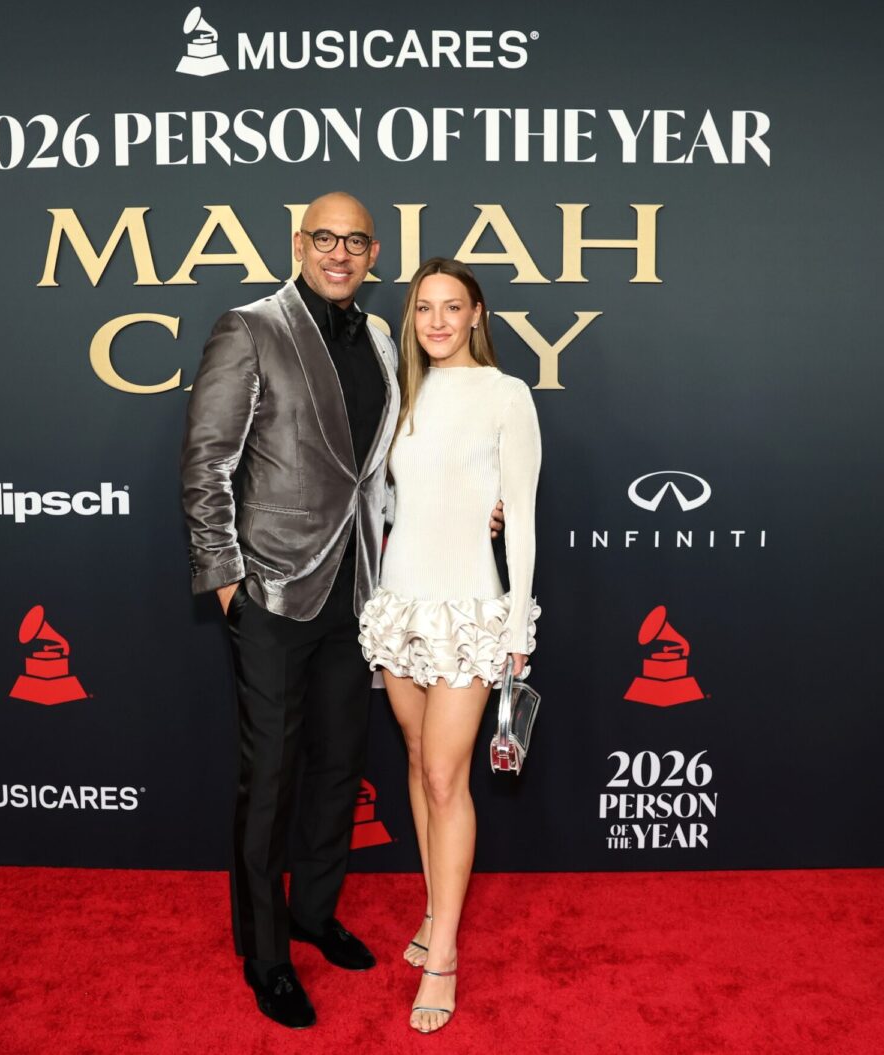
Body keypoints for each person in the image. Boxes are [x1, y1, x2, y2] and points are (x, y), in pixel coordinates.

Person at [181, 194, 505, 1030]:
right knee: (273, 778)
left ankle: (315, 912)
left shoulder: (380, 344)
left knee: (337, 766)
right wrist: (226, 579)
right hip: (273, 591)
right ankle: (265, 953)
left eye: (355, 241)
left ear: (372, 251)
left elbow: (389, 470)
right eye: (324, 238)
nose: (339, 252)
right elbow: (209, 461)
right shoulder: (248, 326)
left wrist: (477, 506)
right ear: (299, 243)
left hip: (359, 592)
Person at [357, 257, 543, 1035]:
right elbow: (392, 495)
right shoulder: (400, 393)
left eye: (451, 307)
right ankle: (436, 910)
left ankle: (444, 958)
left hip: (470, 607)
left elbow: (523, 515)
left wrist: (516, 624)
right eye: (423, 307)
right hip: (399, 604)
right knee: (412, 759)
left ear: (477, 315)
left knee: (444, 774)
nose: (436, 321)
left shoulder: (507, 394)